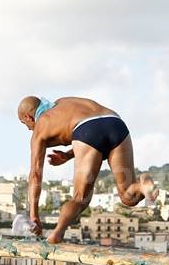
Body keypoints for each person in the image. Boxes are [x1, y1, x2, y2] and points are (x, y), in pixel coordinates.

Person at [17, 96, 158, 243]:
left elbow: (35, 175)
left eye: (24, 123)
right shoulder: (63, 102)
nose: (27, 128)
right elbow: (94, 129)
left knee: (80, 198)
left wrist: (34, 216)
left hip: (87, 129)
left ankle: (56, 234)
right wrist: (67, 155)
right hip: (115, 122)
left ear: (28, 117)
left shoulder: (40, 128)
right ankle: (143, 185)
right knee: (129, 197)